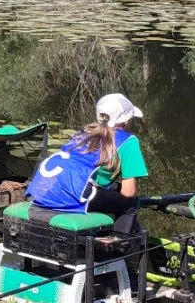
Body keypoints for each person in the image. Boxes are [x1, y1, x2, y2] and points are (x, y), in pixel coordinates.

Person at [26, 93, 149, 234]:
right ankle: (121, 250)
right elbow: (128, 192)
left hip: (43, 192)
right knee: (131, 205)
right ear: (126, 120)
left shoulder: (85, 132)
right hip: (72, 193)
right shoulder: (128, 141)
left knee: (111, 188)